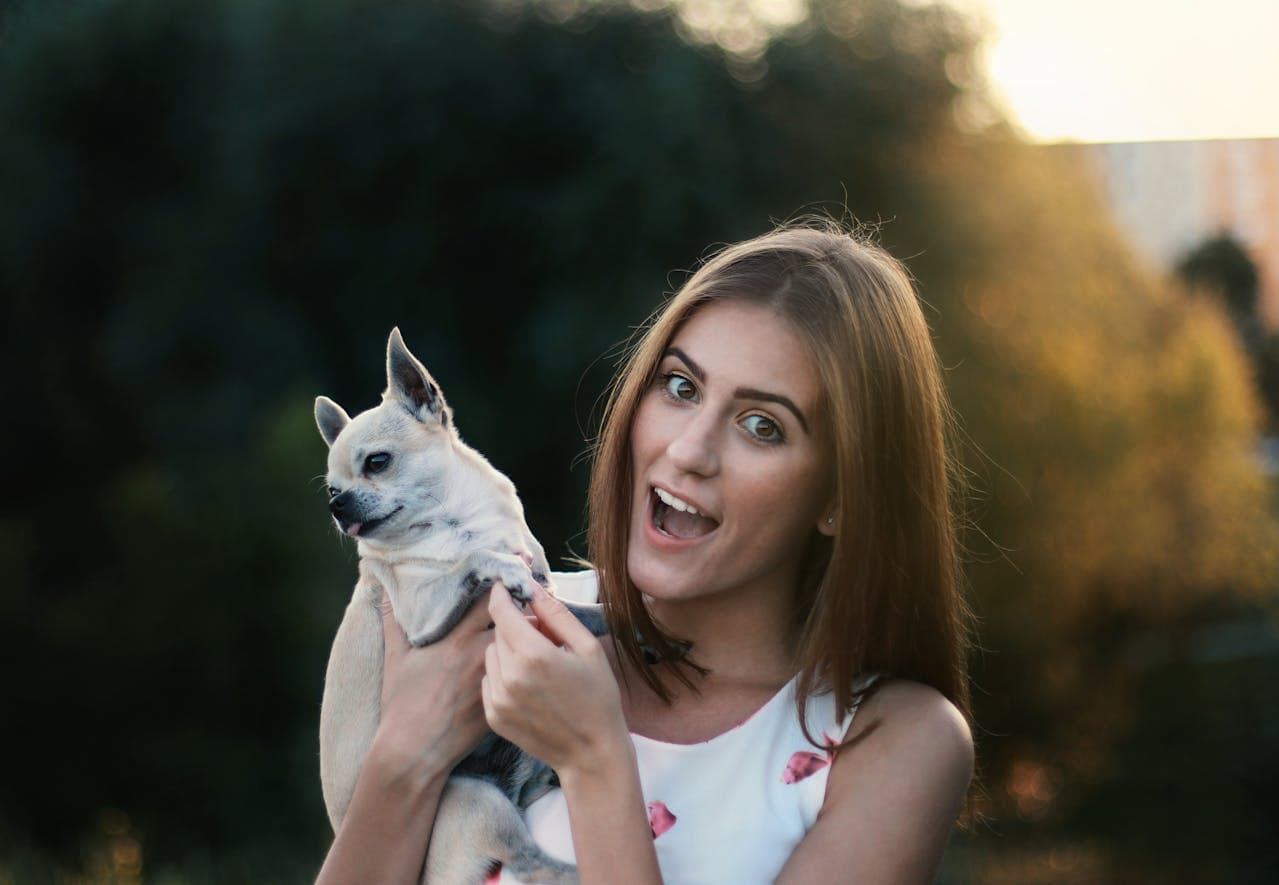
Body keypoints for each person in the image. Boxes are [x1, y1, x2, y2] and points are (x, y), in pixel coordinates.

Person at [316, 221, 978, 884]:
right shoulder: (483, 626)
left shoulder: (894, 742)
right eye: (681, 387)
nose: (688, 450)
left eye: (762, 425)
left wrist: (594, 760)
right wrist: (405, 753)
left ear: (840, 494)